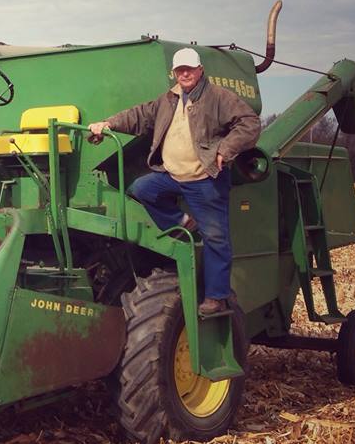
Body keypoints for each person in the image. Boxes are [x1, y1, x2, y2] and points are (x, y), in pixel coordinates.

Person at [87, 47, 260, 314]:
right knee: (141, 189)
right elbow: (139, 116)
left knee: (216, 238)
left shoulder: (218, 97)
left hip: (204, 179)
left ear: (200, 69)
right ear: (174, 73)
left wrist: (226, 150)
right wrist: (108, 124)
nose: (185, 74)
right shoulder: (168, 100)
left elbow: (249, 123)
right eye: (180, 70)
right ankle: (181, 222)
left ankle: (217, 296)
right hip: (173, 176)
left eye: (190, 69)